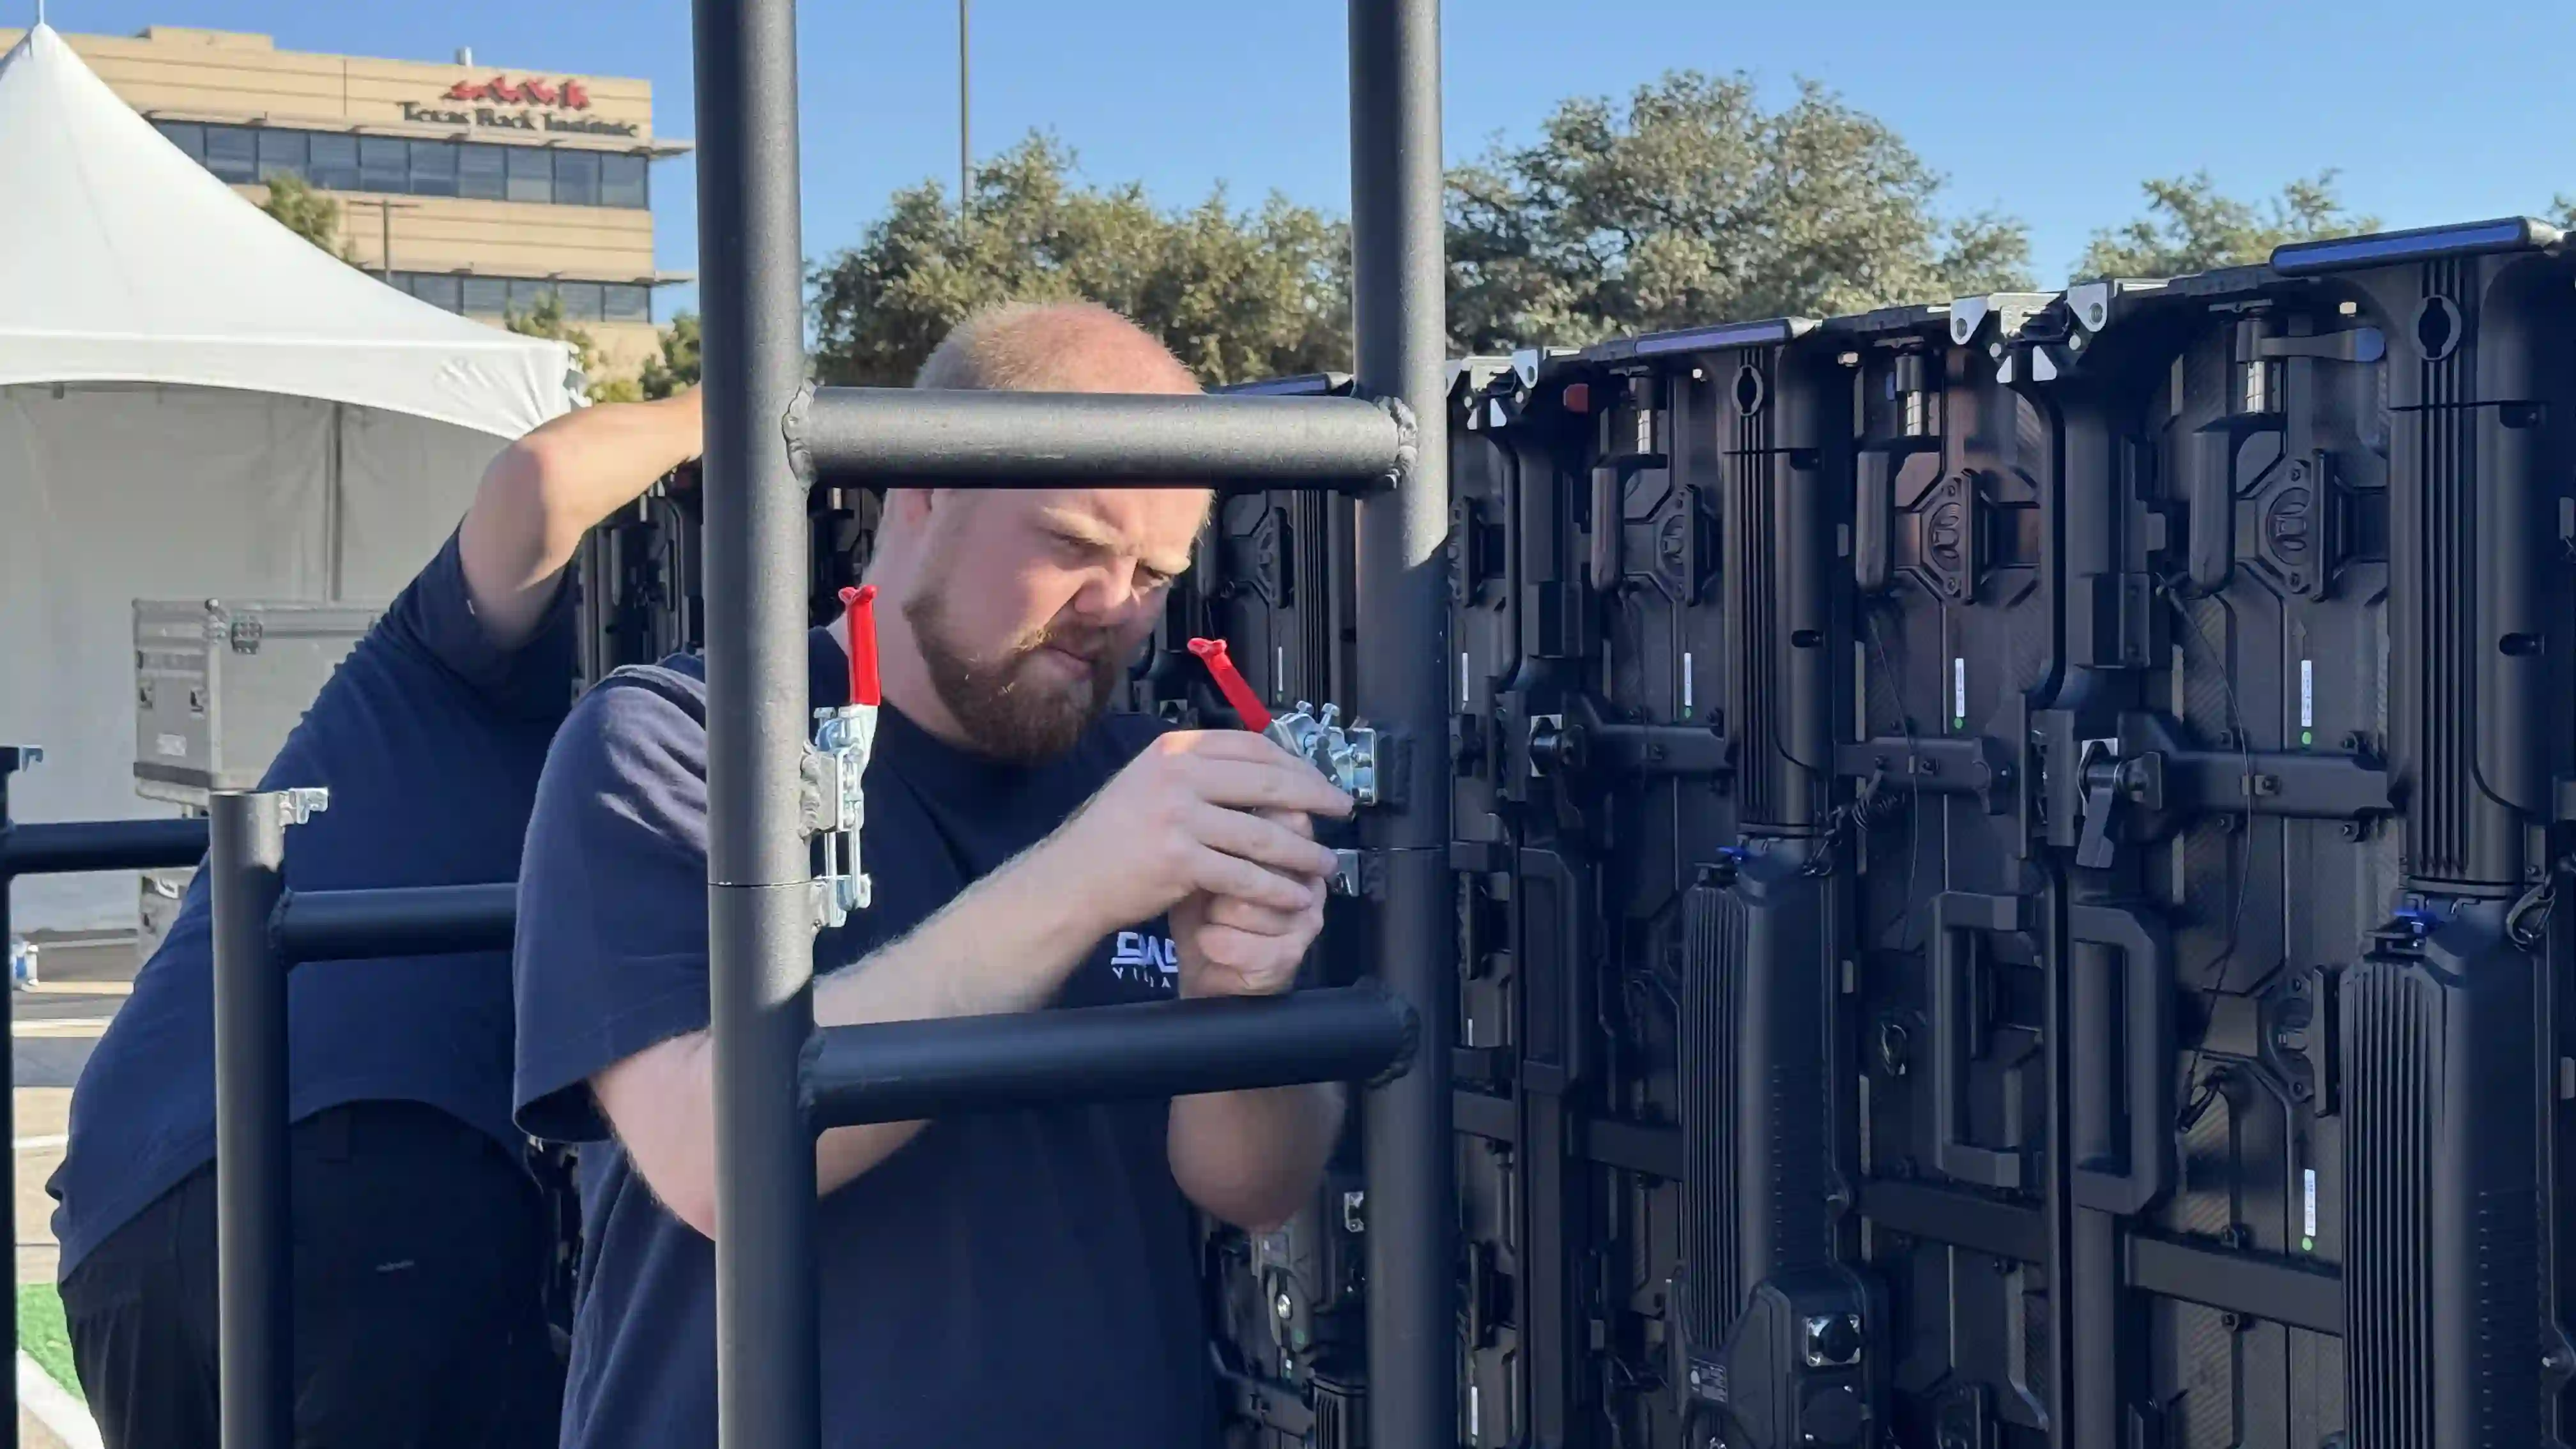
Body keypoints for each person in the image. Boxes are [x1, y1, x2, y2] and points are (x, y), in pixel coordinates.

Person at [512, 301, 1353, 1448]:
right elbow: (716, 1161)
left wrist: (1238, 1003)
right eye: (1072, 544)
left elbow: (1253, 1187)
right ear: (923, 492)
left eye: (1154, 574)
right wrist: (1085, 882)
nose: (1113, 611)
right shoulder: (679, 739)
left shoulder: (1152, 780)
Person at [49, 388, 707, 1449]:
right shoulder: (468, 661)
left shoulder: (438, 681)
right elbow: (540, 483)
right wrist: (751, 402)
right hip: (367, 1175)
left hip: (127, 1211)